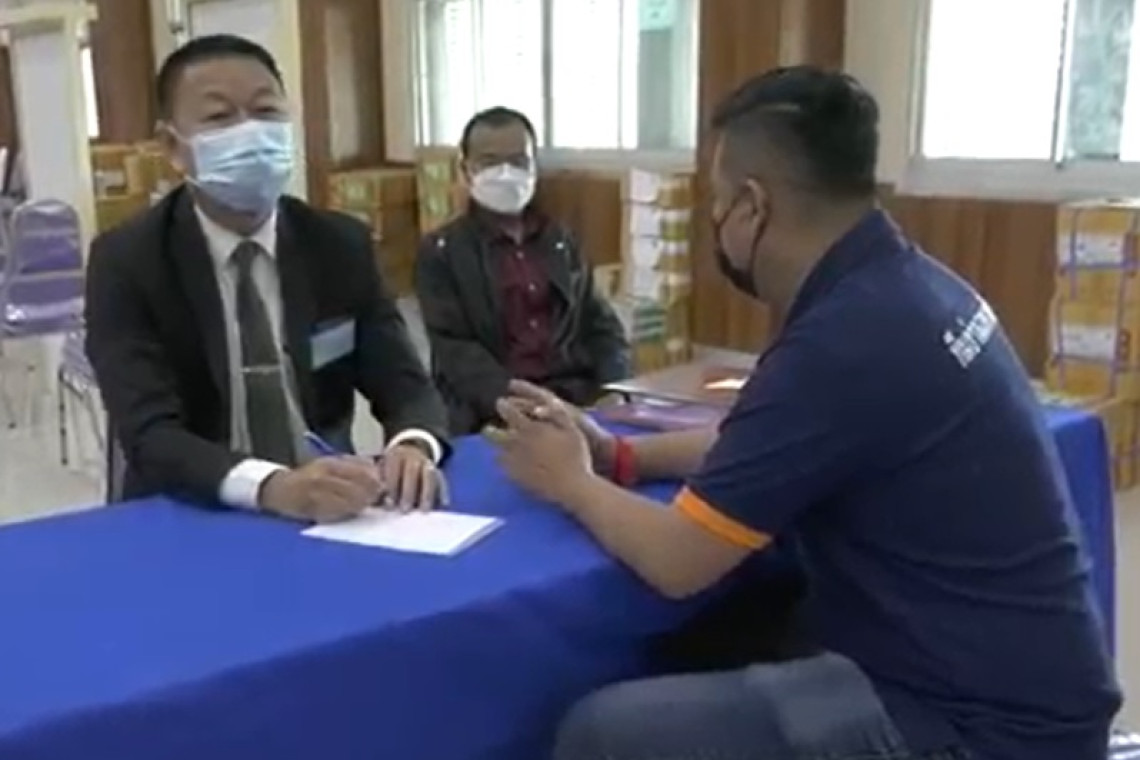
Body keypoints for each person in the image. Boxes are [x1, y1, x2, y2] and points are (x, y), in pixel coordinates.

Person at [490, 67, 1121, 760]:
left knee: (602, 732)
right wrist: (621, 454)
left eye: (717, 201)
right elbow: (766, 442)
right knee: (710, 636)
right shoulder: (910, 287)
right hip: (1012, 676)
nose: (715, 220)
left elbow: (677, 561)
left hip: (978, 726)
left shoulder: (843, 341)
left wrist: (572, 483)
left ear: (752, 207)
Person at [85, 35, 450, 521]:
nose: (250, 132)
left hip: (329, 506)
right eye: (220, 117)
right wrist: (272, 487)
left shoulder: (339, 244)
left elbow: (406, 384)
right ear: (173, 147)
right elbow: (150, 433)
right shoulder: (127, 260)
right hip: (192, 507)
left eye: (265, 112)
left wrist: (413, 444)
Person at [414, 106, 631, 434]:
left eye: (518, 161)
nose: (505, 173)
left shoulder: (559, 239)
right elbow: (454, 350)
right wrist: (514, 402)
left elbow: (601, 325)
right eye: (489, 162)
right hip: (491, 412)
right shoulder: (442, 252)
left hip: (573, 399)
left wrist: (614, 387)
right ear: (466, 169)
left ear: (534, 166)